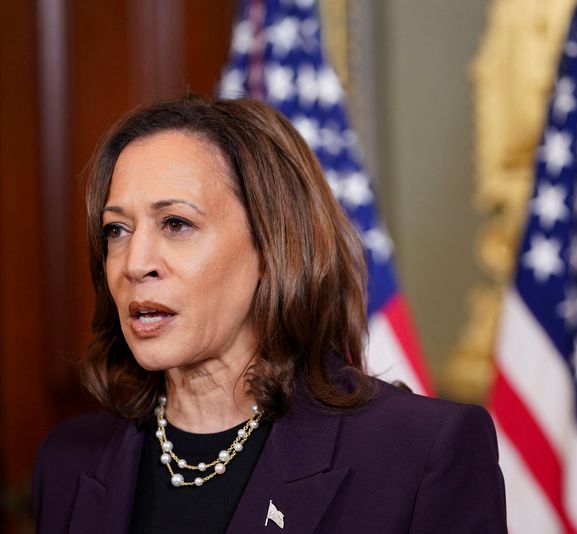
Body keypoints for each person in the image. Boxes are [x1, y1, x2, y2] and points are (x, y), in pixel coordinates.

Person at [32, 94, 507, 533]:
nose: (135, 264)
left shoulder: (420, 453)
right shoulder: (69, 460)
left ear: (271, 244)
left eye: (176, 224)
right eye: (117, 230)